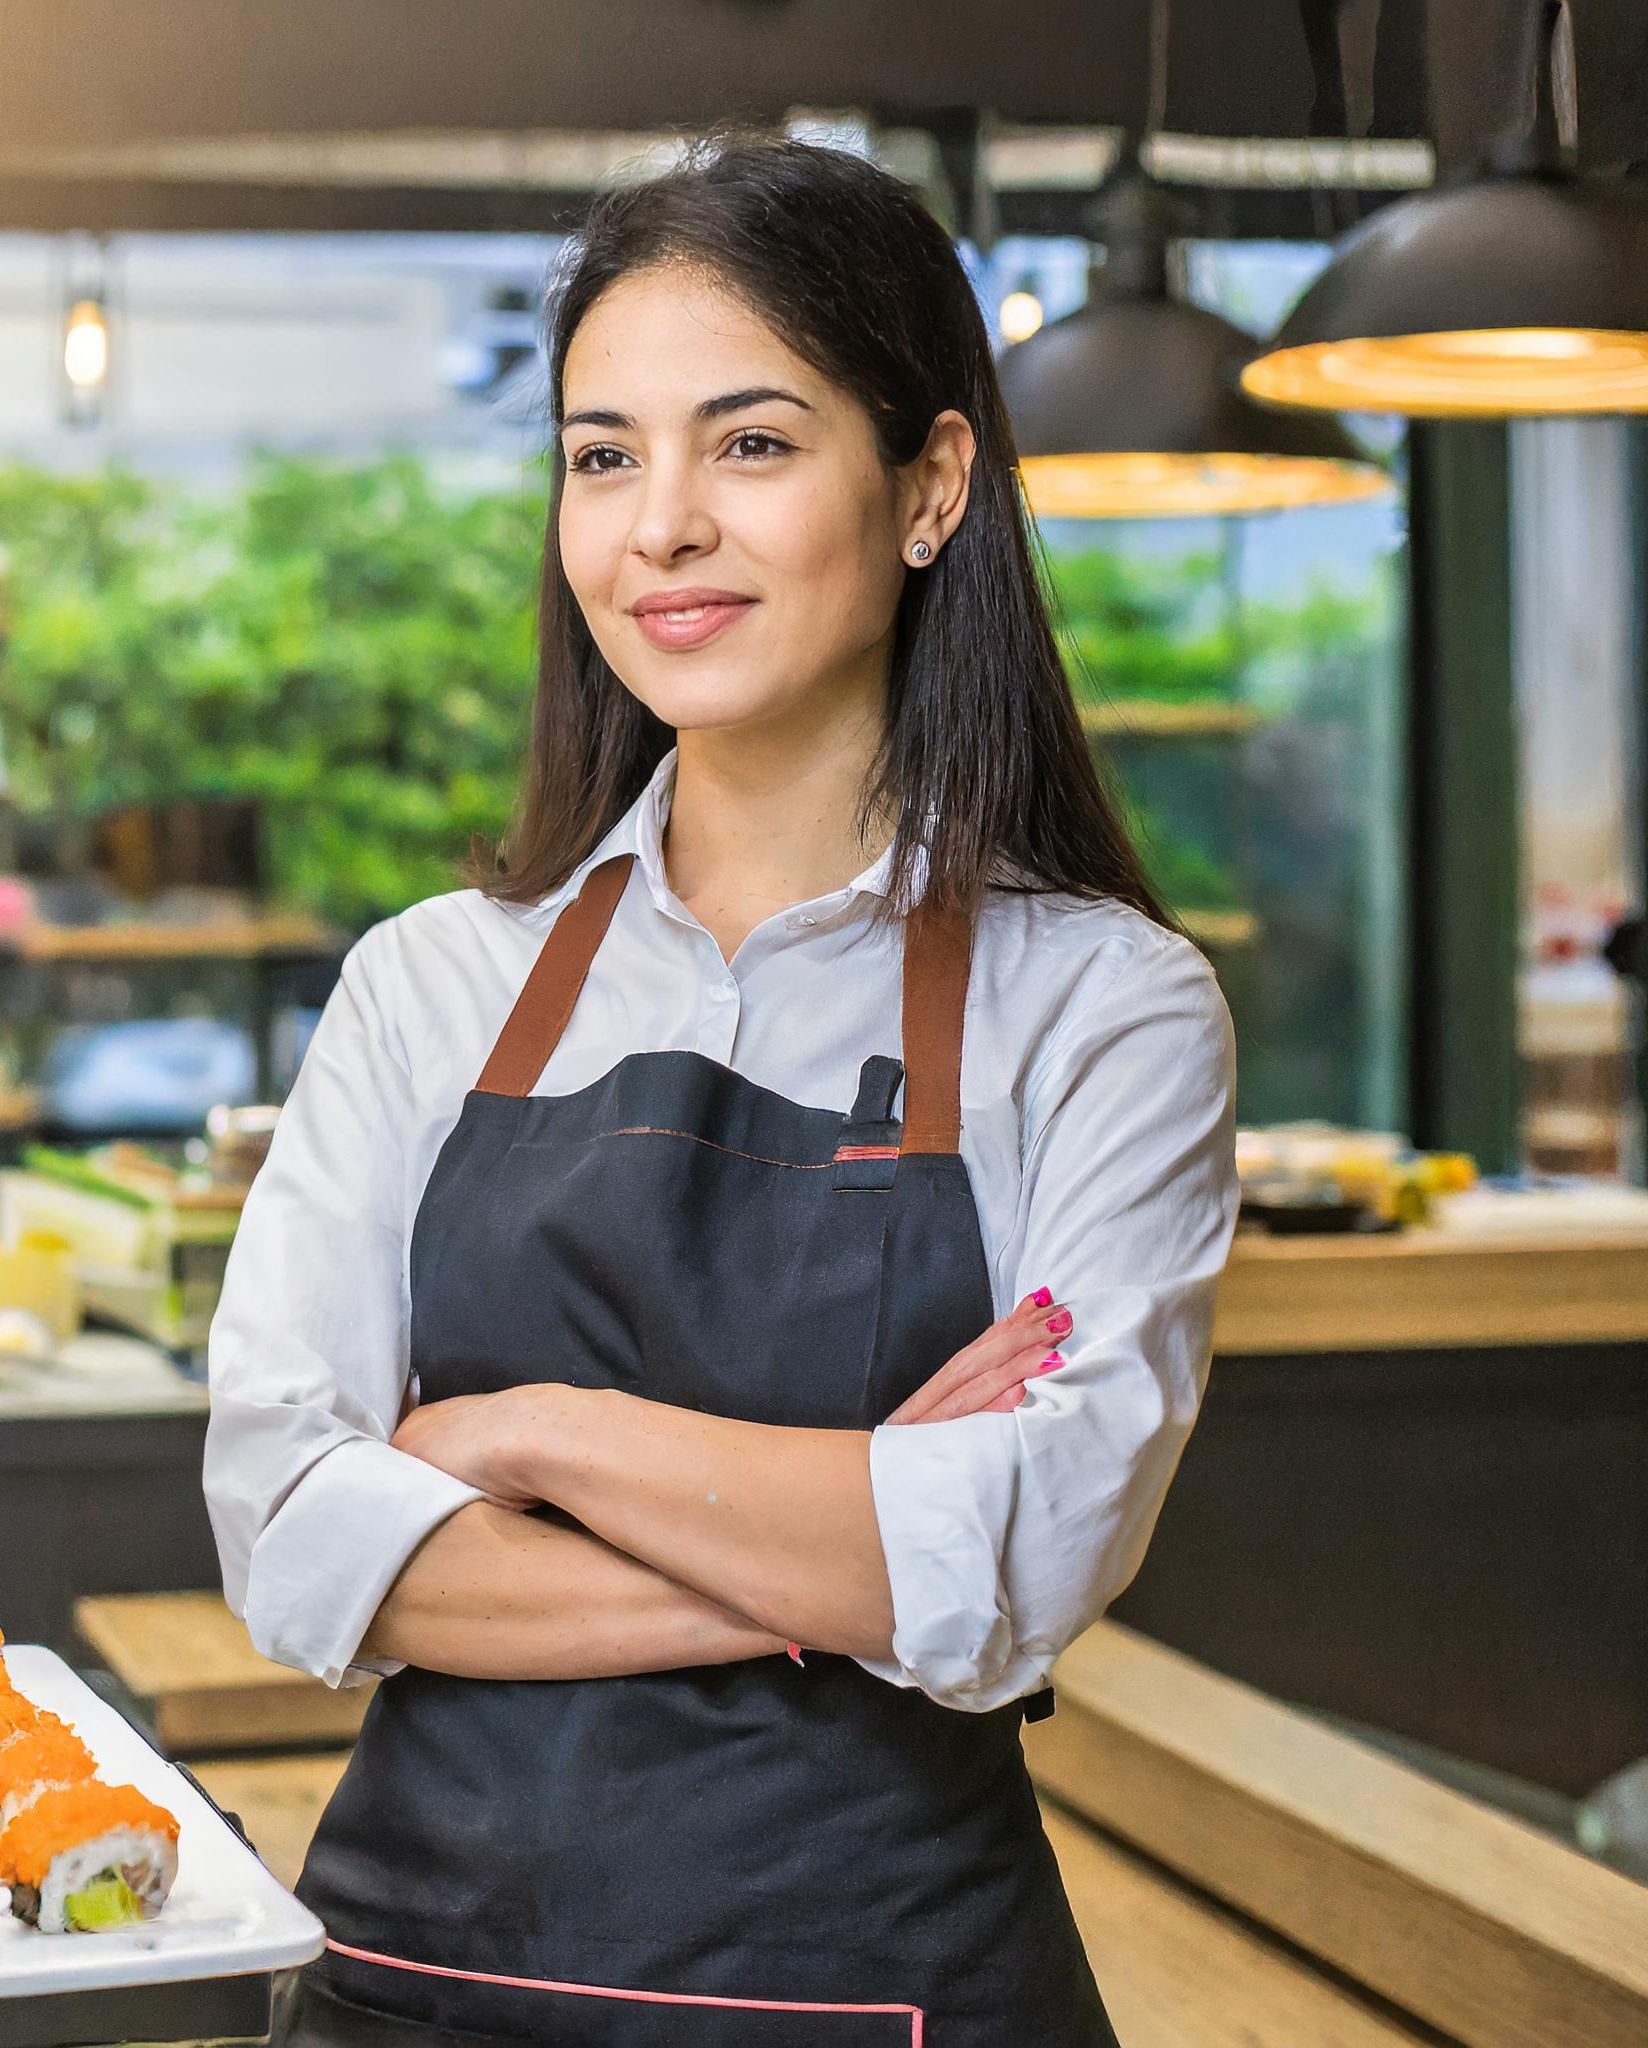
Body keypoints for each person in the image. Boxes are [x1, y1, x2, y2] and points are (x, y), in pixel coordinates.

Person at [206, 127, 1240, 2047]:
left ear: (932, 485)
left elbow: (1036, 1553)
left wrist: (518, 1436)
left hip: (887, 1995)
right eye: (604, 457)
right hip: (416, 1985)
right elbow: (284, 1531)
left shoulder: (1104, 1009)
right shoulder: (433, 984)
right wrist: (865, 1557)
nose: (658, 525)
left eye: (749, 443)